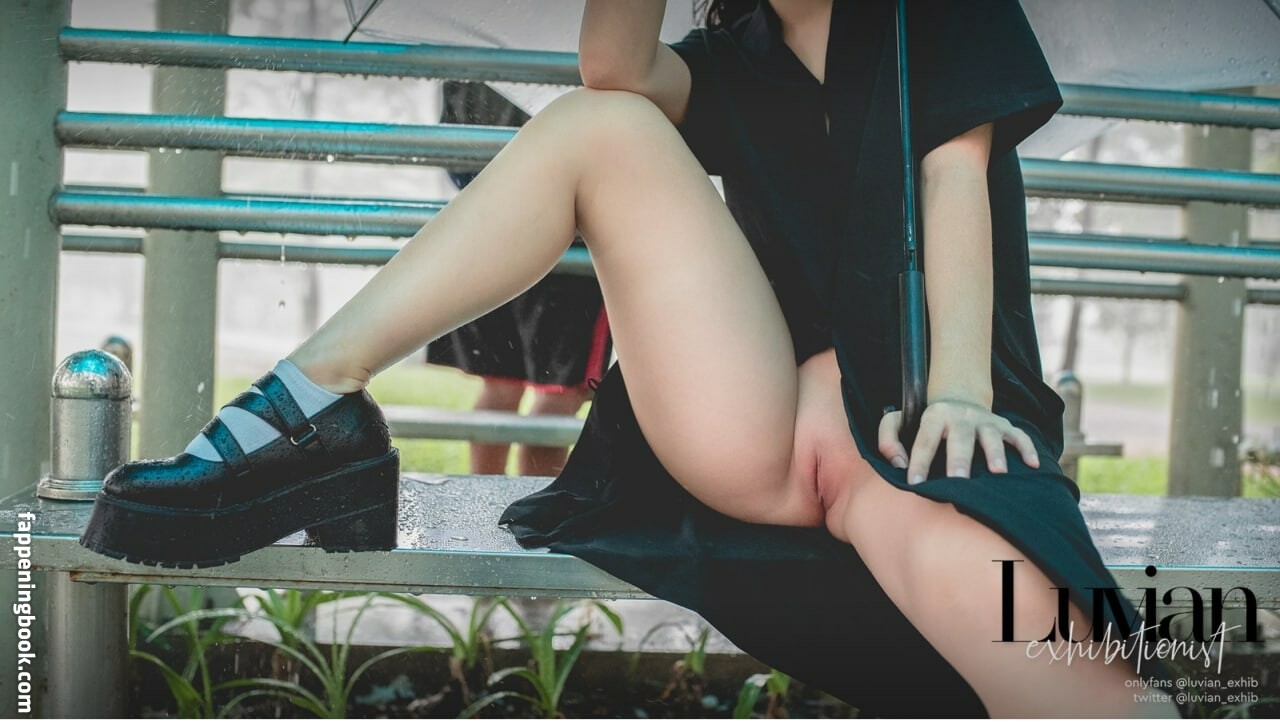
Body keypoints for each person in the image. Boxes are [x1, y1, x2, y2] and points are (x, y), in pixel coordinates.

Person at [82, 0, 1179, 716]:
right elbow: (612, 68)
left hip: (912, 425)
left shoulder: (933, 11)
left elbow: (954, 179)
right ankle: (314, 402)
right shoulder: (740, 56)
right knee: (598, 126)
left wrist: (961, 392)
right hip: (752, 424)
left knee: (1089, 700)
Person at [426, 80, 611, 477]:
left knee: (501, 386)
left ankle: (481, 501)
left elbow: (452, 148)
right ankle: (530, 504)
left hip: (484, 226)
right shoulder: (564, 52)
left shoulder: (470, 56)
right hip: (562, 237)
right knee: (558, 395)